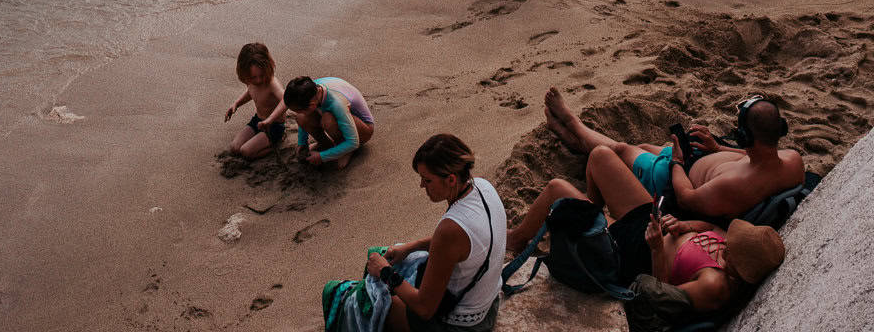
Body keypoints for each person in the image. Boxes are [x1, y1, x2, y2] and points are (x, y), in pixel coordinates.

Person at [504, 148, 784, 313]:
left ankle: (517, 239)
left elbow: (657, 296)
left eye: (732, 246)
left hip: (631, 253)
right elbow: (710, 227)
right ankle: (595, 218)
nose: (727, 242)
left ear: (740, 265)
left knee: (556, 189)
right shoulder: (730, 248)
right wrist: (684, 225)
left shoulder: (714, 286)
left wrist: (658, 249)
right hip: (652, 224)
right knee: (601, 156)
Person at [535, 86, 805, 222]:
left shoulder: (733, 187)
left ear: (746, 137)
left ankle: (574, 126)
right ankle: (580, 142)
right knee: (642, 149)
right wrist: (718, 148)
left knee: (621, 150)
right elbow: (751, 156)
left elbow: (686, 200)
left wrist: (676, 163)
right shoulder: (791, 160)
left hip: (673, 180)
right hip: (695, 163)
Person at [364, 133, 506, 332]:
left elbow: (424, 309)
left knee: (378, 304)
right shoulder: (483, 187)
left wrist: (385, 272)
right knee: (405, 257)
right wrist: (411, 246)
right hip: (488, 304)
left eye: (427, 180)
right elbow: (464, 243)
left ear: (450, 179)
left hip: (465, 325)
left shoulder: (450, 228)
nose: (422, 185)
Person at [283, 75, 374, 170]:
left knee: (328, 120)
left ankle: (344, 148)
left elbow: (353, 142)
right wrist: (302, 143)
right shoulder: (309, 91)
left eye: (298, 110)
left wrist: (322, 156)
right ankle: (326, 144)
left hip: (362, 130)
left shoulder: (336, 103)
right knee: (301, 117)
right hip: (340, 118)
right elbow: (304, 115)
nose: (296, 112)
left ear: (311, 105)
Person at [223, 41, 286, 160]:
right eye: (253, 77)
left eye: (261, 75)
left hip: (274, 126)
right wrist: (236, 104)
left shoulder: (272, 83)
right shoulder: (251, 82)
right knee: (235, 148)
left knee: (246, 152)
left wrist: (270, 120)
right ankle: (260, 140)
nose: (258, 80)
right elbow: (250, 93)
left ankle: (276, 143)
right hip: (257, 120)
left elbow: (286, 99)